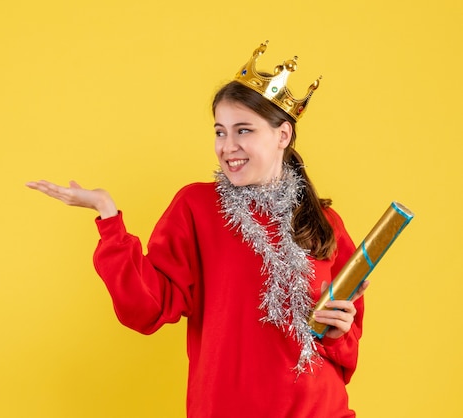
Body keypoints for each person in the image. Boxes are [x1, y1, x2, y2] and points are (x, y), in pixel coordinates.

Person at [27, 41, 368, 418]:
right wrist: (108, 217)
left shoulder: (323, 224)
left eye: (244, 130)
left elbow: (346, 348)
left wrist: (338, 332)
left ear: (283, 136)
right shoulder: (196, 207)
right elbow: (148, 306)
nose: (228, 146)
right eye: (220, 132)